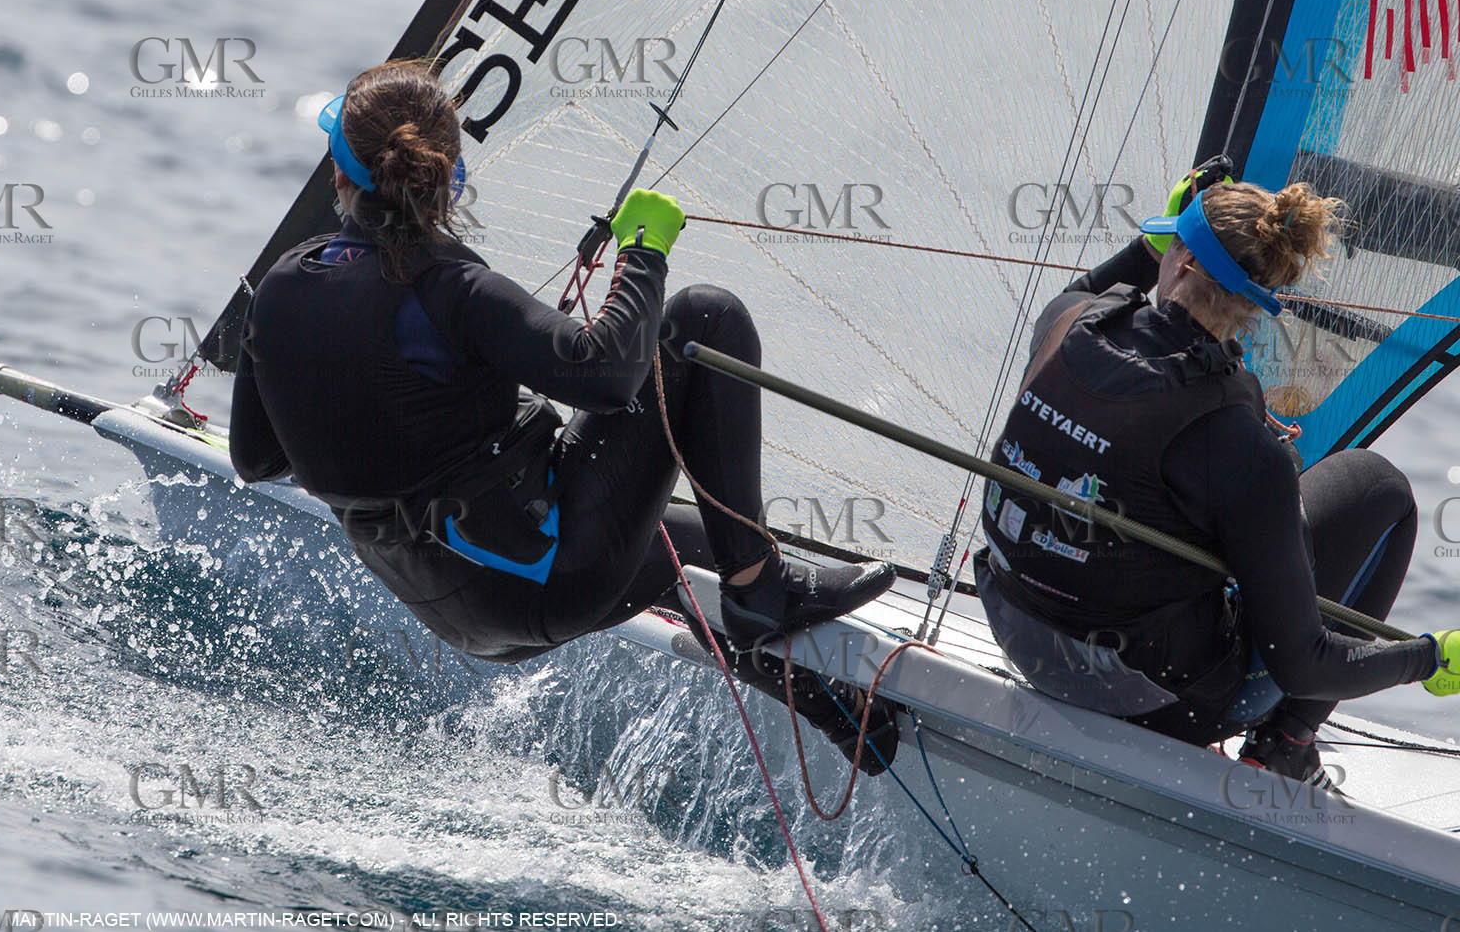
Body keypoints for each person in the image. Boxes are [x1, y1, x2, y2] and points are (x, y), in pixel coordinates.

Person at [229, 60, 899, 768]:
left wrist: (383, 423)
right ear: (446, 178)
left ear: (339, 175)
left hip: (447, 604)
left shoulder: (280, 286)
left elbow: (257, 458)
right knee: (708, 318)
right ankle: (761, 587)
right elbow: (604, 373)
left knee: (694, 547)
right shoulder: (452, 288)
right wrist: (643, 253)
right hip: (542, 576)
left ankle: (848, 720)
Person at [973, 157, 1459, 786]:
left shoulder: (1062, 323)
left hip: (1016, 633)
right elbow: (1303, 665)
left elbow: (1091, 287)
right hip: (1160, 704)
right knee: (1379, 487)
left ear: (1179, 260)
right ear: (1261, 303)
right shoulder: (1237, 440)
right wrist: (1426, 659)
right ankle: (1284, 746)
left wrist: (1153, 242)